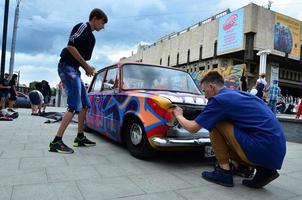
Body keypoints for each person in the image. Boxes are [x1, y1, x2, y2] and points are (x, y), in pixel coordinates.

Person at [172, 71, 286, 188]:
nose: (204, 96)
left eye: (204, 91)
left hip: (260, 148)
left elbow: (192, 128)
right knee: (230, 122)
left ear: (211, 87)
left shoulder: (218, 100)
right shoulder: (239, 94)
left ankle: (224, 172)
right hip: (275, 152)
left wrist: (179, 115)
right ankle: (264, 172)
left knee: (216, 122)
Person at [49, 8, 108, 154]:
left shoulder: (92, 38)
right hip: (66, 67)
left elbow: (83, 58)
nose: (103, 26)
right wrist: (86, 66)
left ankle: (80, 137)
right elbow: (70, 46)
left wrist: (88, 67)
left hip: (75, 69)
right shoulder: (82, 27)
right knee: (74, 105)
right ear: (94, 18)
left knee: (85, 105)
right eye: (102, 22)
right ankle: (56, 141)